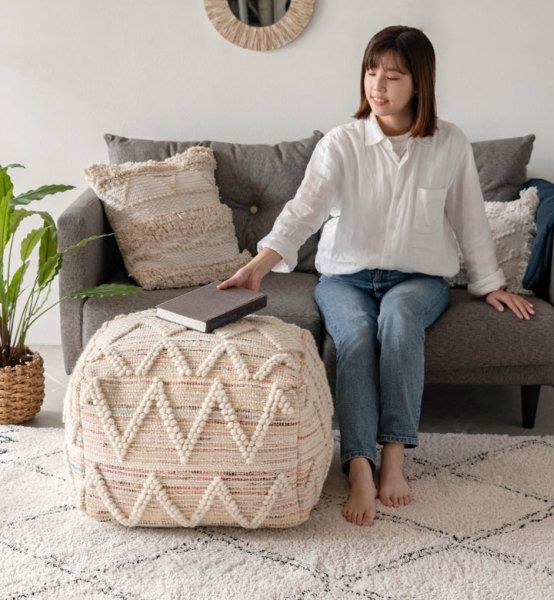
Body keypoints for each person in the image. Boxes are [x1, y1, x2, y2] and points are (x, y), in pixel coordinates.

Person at [217, 25, 535, 527]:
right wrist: (258, 267)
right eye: (371, 72)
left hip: (418, 280)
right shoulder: (342, 143)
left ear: (420, 83)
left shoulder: (449, 143)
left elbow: (469, 217)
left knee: (400, 321)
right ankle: (360, 464)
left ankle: (394, 455)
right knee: (358, 337)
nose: (378, 86)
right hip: (345, 278)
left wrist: (490, 283)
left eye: (393, 76)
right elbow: (303, 211)